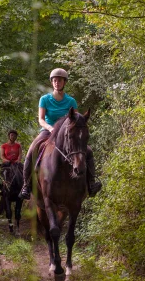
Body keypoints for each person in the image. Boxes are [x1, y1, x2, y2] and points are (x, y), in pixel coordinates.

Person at [18, 68, 102, 200]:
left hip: (67, 134)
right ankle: (26, 185)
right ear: (52, 82)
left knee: (88, 151)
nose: (57, 82)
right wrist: (50, 128)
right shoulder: (44, 99)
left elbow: (75, 120)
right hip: (47, 131)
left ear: (64, 82)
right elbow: (41, 119)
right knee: (32, 150)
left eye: (60, 80)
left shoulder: (71, 101)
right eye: (54, 80)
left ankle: (91, 183)